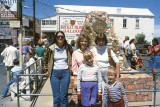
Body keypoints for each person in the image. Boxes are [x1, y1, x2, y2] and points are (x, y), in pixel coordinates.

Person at [44, 31, 73, 107]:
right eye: (58, 36)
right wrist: (46, 70)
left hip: (65, 72)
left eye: (62, 36)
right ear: (56, 38)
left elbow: (73, 58)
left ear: (64, 38)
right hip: (54, 73)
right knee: (56, 97)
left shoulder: (68, 47)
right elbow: (46, 59)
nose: (60, 38)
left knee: (63, 96)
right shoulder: (51, 48)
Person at [91, 33, 120, 107]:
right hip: (98, 74)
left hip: (108, 74)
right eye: (99, 40)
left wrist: (117, 76)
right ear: (96, 41)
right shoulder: (93, 50)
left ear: (105, 41)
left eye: (102, 40)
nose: (101, 42)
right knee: (102, 93)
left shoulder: (108, 50)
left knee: (109, 93)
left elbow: (117, 62)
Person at [72, 34, 91, 106]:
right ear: (79, 42)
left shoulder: (91, 51)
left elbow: (94, 65)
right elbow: (74, 68)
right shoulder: (75, 53)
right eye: (82, 41)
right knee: (81, 100)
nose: (84, 43)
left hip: (90, 78)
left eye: (85, 41)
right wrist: (75, 81)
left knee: (89, 100)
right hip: (81, 79)